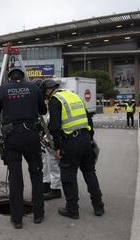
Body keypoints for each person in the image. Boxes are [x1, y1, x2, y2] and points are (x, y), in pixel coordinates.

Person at [0, 68, 47, 229]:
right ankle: (39, 214)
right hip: (31, 135)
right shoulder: (34, 88)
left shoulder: (3, 90)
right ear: (23, 76)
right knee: (36, 173)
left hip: (12, 137)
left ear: (9, 78)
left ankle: (17, 219)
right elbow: (43, 110)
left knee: (15, 176)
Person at [38, 79, 104, 219]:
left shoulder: (55, 100)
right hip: (85, 139)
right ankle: (98, 207)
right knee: (90, 173)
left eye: (44, 94)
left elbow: (54, 127)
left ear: (48, 91)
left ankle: (72, 210)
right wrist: (89, 137)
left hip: (70, 142)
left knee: (68, 177)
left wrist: (57, 148)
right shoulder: (74, 95)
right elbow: (89, 119)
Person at [34, 79, 62, 200]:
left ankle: (55, 189)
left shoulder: (52, 101)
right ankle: (46, 183)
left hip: (52, 135)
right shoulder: (45, 100)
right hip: (45, 136)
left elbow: (51, 121)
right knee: (45, 161)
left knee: (53, 163)